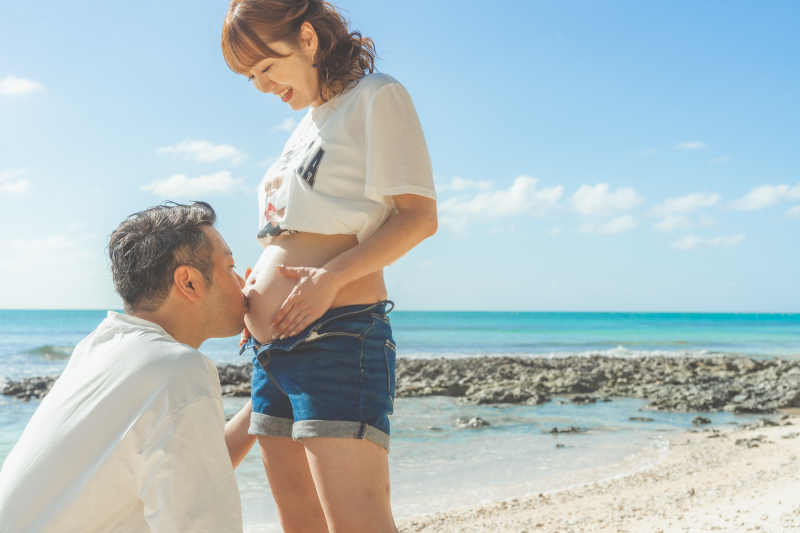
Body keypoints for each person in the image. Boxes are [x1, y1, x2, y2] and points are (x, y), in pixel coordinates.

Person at [220, 1, 438, 531]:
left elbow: (418, 217)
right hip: (272, 351)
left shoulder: (376, 97)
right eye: (251, 76)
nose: (261, 86)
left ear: (309, 40)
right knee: (299, 522)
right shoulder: (306, 126)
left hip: (338, 339)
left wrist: (332, 277)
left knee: (357, 523)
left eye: (267, 67)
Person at [0, 202, 247, 532]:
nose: (243, 280)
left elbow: (189, 473)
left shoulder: (101, 348)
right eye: (231, 267)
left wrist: (265, 396)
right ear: (188, 282)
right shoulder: (178, 370)